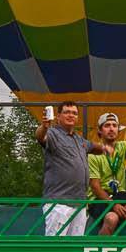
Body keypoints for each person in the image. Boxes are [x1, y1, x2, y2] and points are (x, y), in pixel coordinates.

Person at [35, 101, 94, 236]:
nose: (71, 115)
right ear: (58, 116)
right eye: (67, 112)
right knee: (56, 246)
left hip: (79, 203)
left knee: (75, 246)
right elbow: (40, 137)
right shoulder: (53, 133)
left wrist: (106, 148)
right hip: (59, 203)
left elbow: (93, 146)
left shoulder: (79, 140)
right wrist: (44, 127)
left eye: (74, 113)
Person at [87, 112, 126, 236]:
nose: (111, 128)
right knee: (112, 218)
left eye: (114, 125)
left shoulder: (122, 147)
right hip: (99, 200)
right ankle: (99, 247)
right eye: (107, 125)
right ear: (99, 131)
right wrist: (113, 204)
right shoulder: (93, 154)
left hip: (120, 195)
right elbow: (95, 187)